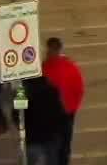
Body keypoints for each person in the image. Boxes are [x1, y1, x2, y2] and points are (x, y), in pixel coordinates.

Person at [41, 37, 85, 165]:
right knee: (58, 147)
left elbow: (79, 90)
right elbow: (79, 90)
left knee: (59, 147)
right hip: (58, 114)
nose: (50, 53)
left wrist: (71, 109)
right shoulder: (67, 67)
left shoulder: (46, 68)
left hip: (62, 114)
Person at [20, 73, 68, 165]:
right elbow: (60, 113)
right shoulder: (52, 90)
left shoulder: (22, 92)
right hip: (51, 137)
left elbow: (18, 115)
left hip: (32, 138)